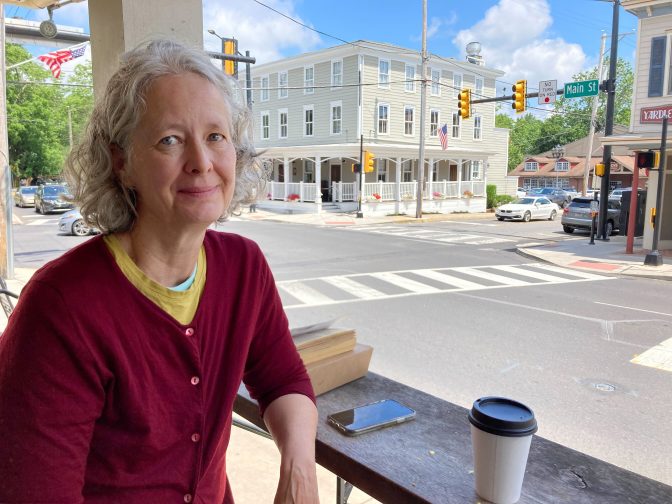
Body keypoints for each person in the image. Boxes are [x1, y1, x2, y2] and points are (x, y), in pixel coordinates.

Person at [0, 39, 319, 504]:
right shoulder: (62, 309)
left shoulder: (243, 268)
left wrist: (299, 469)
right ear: (122, 162)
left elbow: (283, 380)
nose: (202, 162)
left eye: (216, 136)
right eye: (170, 139)